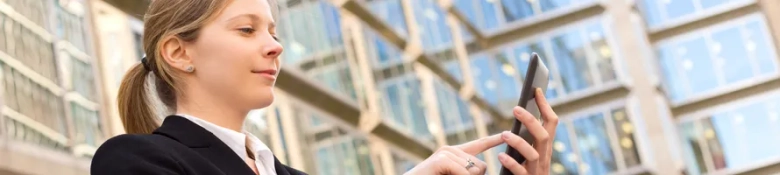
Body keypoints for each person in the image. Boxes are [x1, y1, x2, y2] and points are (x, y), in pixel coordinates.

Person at [90, 0, 560, 174]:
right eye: (247, 29)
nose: (275, 46)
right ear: (179, 52)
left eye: (273, 30)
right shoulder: (133, 161)